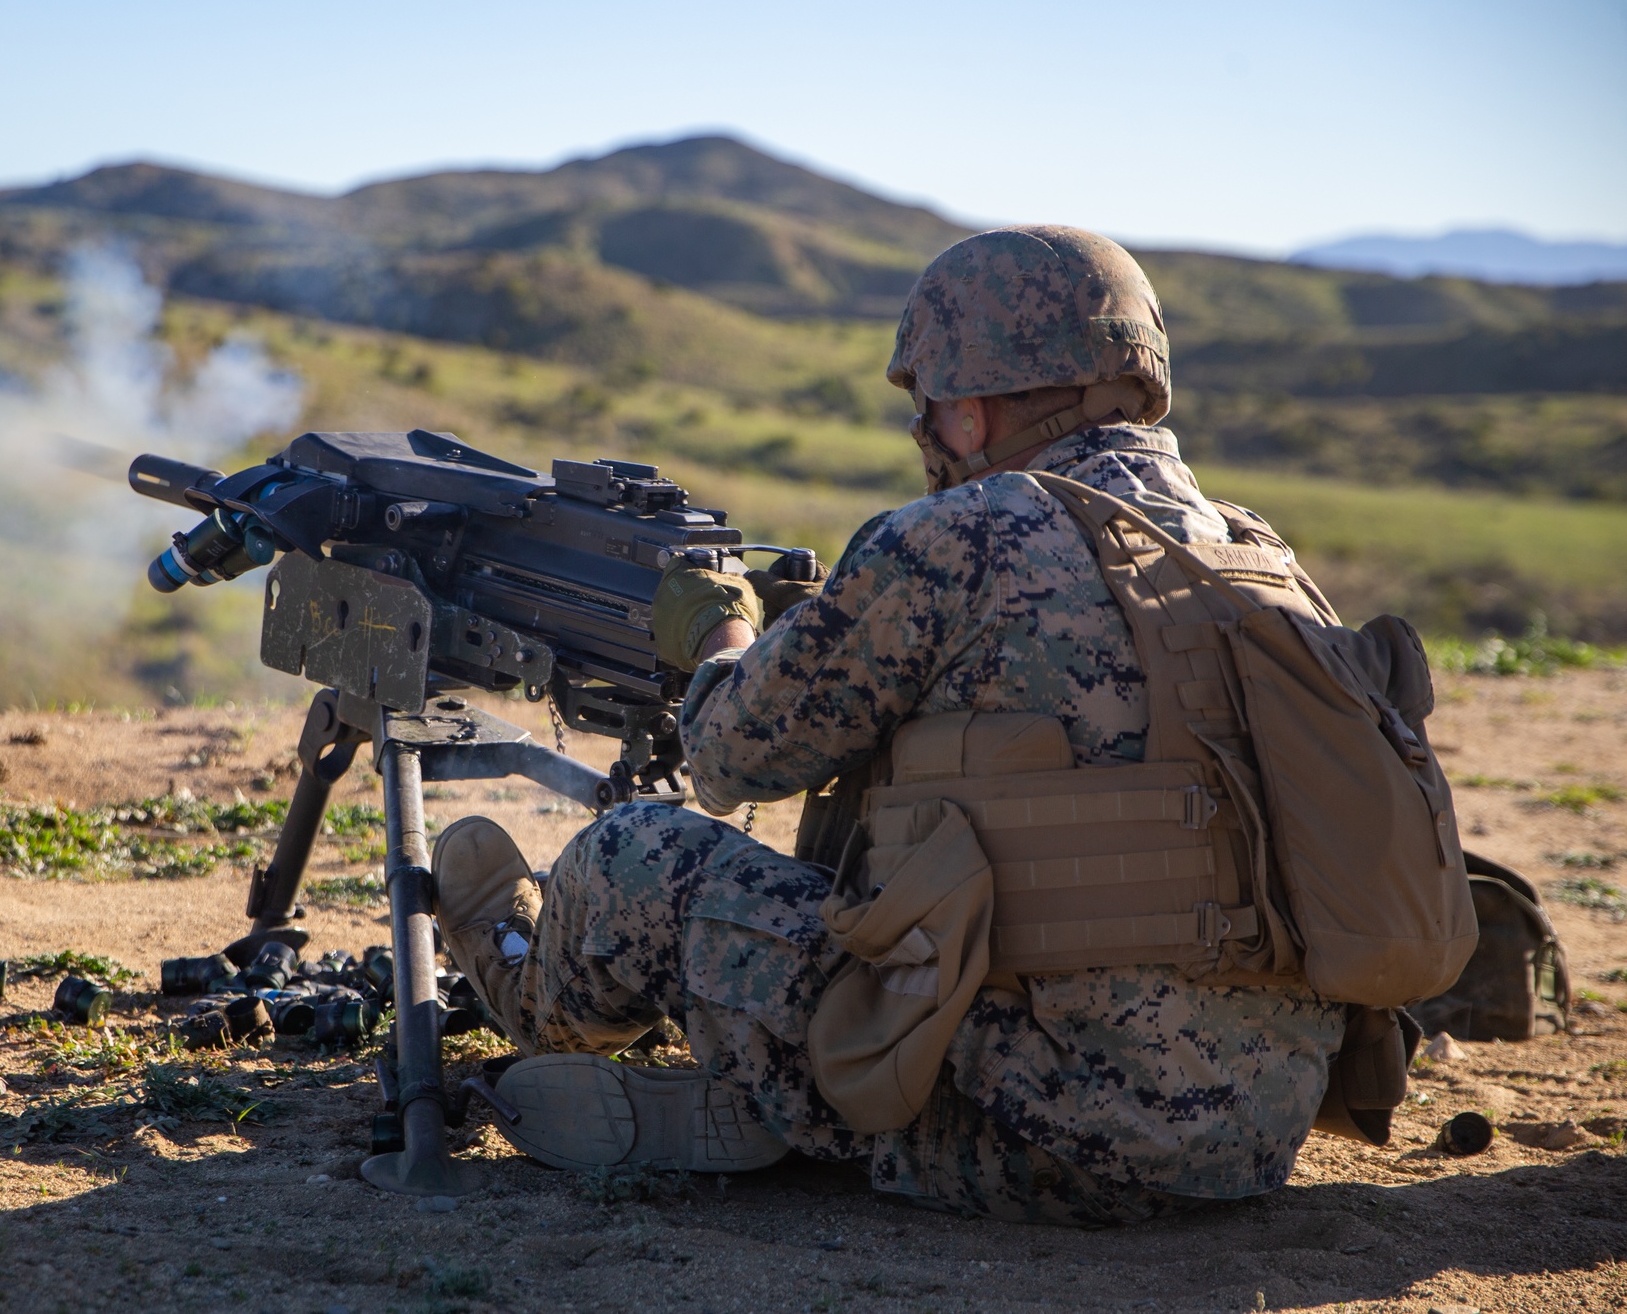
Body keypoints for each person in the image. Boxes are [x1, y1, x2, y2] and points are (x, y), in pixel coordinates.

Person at [430, 225, 1347, 1227]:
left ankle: (525, 989)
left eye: (930, 404)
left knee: (630, 857)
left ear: (968, 407)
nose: (926, 429)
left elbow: (732, 756)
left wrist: (724, 633)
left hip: (1026, 1136)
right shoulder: (1262, 561)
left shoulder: (960, 538)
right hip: (1253, 1135)